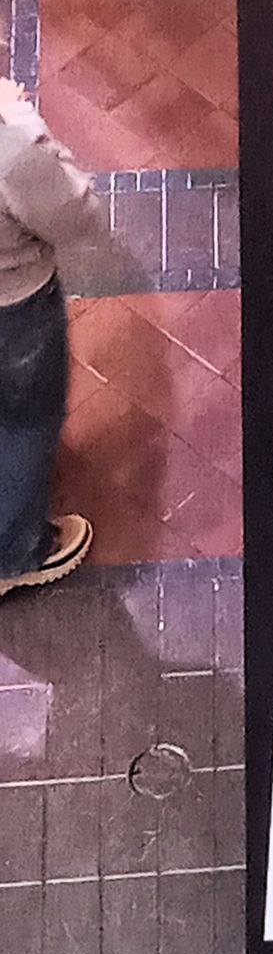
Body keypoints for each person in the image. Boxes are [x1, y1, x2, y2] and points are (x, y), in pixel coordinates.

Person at [0, 77, 105, 597]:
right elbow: (78, 216)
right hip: (13, 311)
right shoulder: (10, 150)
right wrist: (22, 123)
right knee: (26, 423)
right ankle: (15, 553)